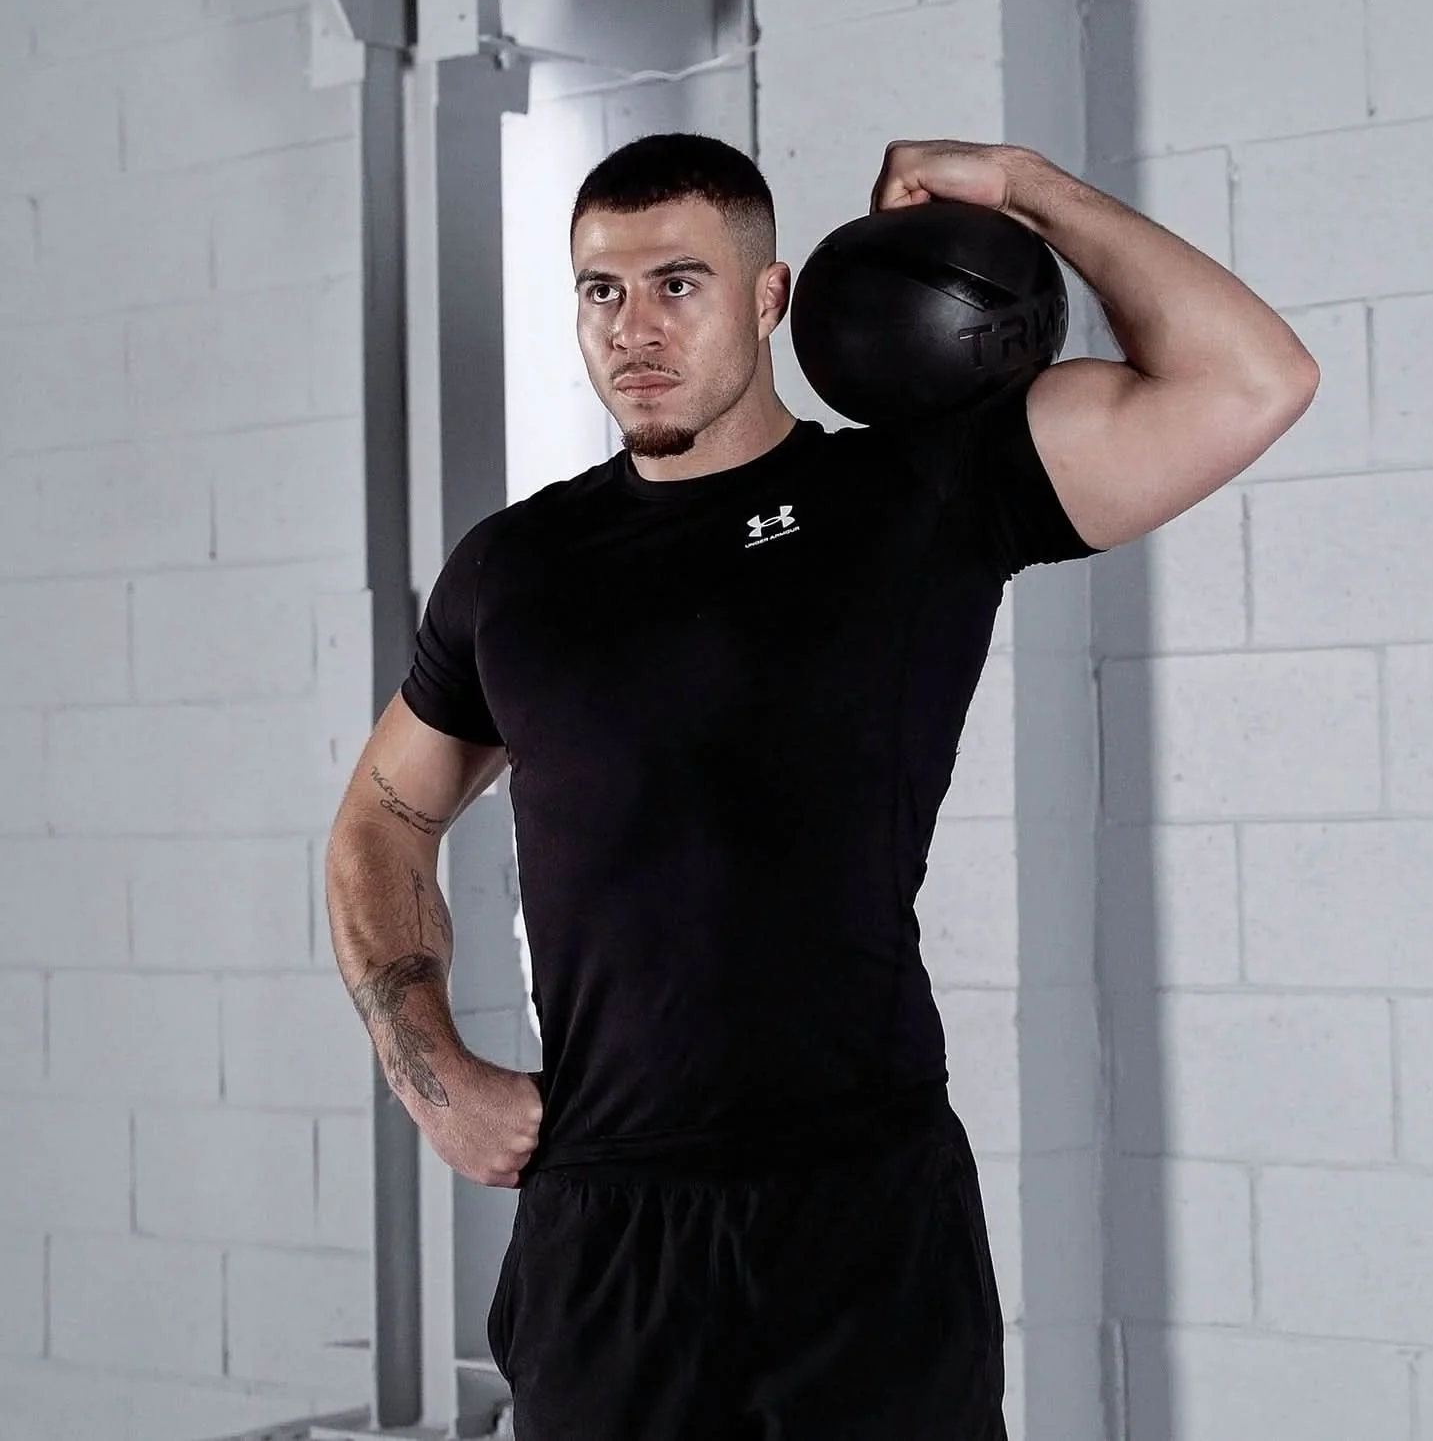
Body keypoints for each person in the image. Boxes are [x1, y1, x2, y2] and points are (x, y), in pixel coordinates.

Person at [326, 132, 1317, 1439]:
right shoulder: (515, 568)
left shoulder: (915, 492)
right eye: (601, 289)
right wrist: (427, 1069)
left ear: (769, 297)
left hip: (863, 1216)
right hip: (609, 1220)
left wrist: (1020, 185)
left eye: (678, 283)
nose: (633, 327)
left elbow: (1253, 378)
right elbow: (382, 819)